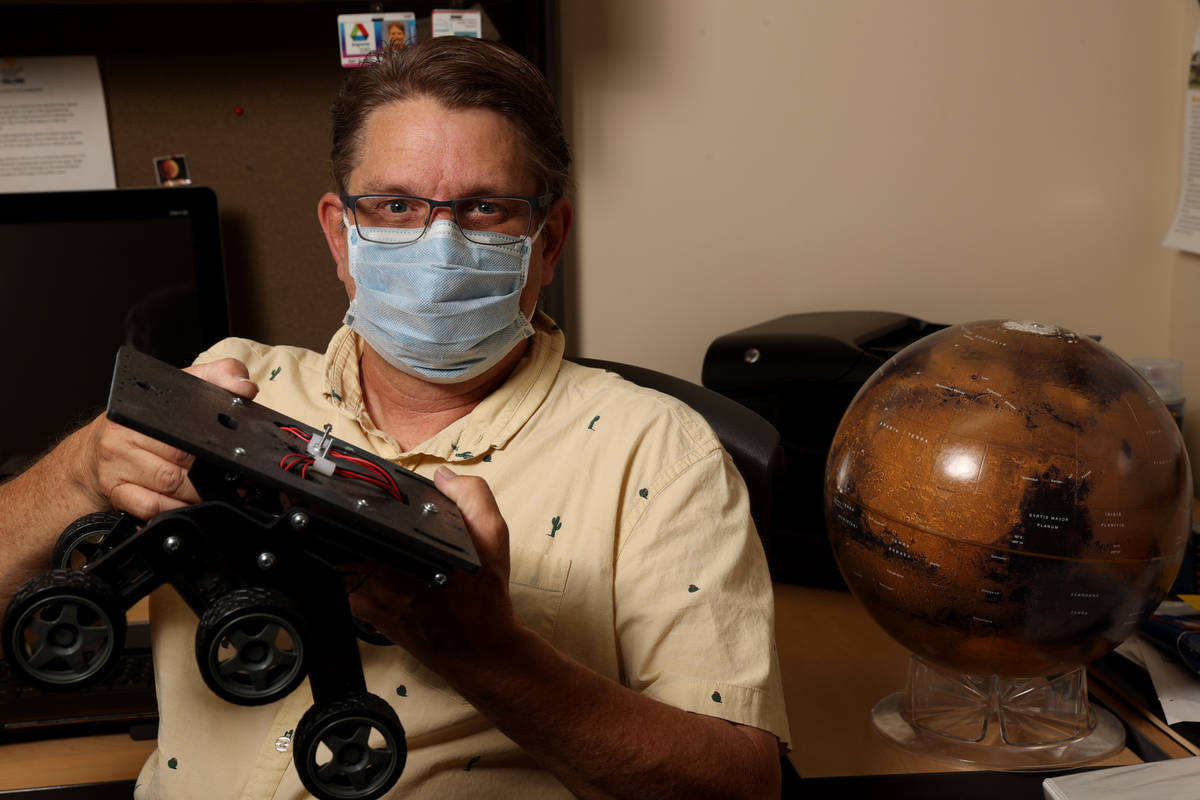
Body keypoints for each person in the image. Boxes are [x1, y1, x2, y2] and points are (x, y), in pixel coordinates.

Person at [0, 37, 790, 798]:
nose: (437, 244)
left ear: (547, 242)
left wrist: (487, 656)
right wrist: (76, 472)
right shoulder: (228, 392)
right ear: (341, 236)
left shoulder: (657, 455)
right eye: (395, 205)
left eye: (485, 209)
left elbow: (739, 785)